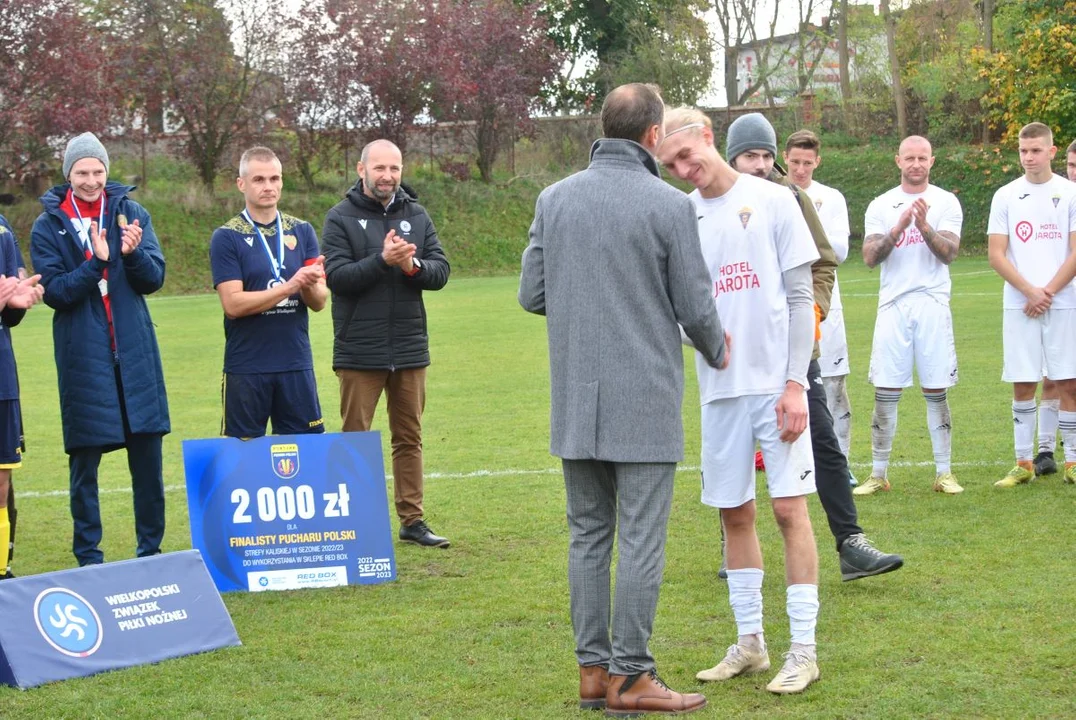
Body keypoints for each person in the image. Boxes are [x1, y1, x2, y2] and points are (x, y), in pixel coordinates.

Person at [520, 84, 726, 715]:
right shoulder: (668, 205)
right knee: (640, 538)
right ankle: (632, 677)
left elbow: (532, 292)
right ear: (654, 135)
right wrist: (718, 347)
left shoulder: (553, 200)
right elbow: (694, 304)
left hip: (576, 398)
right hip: (645, 396)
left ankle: (593, 671)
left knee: (588, 535)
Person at [659, 107, 821, 695]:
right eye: (671, 165)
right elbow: (677, 311)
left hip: (778, 386)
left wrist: (796, 383)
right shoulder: (680, 217)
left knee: (788, 511)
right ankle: (750, 643)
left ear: (708, 139)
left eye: (688, 156)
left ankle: (803, 650)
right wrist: (694, 334)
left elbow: (801, 296)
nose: (683, 170)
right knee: (734, 512)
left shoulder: (774, 199)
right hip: (719, 390)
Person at [722, 113, 902, 583]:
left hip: (794, 354)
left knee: (821, 441)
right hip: (734, 357)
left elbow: (823, 265)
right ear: (731, 157)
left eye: (766, 155)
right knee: (735, 449)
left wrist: (813, 316)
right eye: (749, 155)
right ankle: (736, 550)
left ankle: (851, 544)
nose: (759, 165)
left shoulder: (791, 197)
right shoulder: (710, 200)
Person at [30, 132, 170, 566]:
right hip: (83, 359)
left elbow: (153, 279)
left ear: (107, 172)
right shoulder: (48, 225)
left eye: (97, 171)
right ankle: (89, 557)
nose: (91, 180)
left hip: (135, 356)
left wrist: (130, 255)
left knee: (147, 463)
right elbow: (56, 292)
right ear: (68, 174)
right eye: (81, 172)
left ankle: (151, 550)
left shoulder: (131, 212)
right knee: (84, 465)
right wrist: (98, 263)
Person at [322, 140, 451, 548]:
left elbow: (440, 270)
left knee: (408, 437)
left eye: (394, 168)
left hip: (410, 348)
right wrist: (382, 261)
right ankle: (356, 520)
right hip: (360, 349)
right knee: (356, 437)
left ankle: (412, 521)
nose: (387, 176)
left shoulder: (416, 213)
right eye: (379, 168)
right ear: (361, 169)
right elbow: (337, 278)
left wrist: (412, 266)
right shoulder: (339, 217)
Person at [856, 135, 962, 496]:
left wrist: (924, 226)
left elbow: (949, 254)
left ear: (932, 161)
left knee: (936, 388)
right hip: (892, 307)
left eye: (922, 158)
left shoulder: (946, 201)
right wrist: (899, 227)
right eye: (909, 158)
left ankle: (944, 473)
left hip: (932, 304)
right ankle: (878, 473)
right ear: (897, 160)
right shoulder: (881, 204)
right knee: (886, 389)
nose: (916, 164)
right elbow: (870, 257)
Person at [210, 147, 327, 438]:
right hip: (247, 366)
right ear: (242, 184)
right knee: (243, 459)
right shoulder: (227, 236)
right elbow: (233, 304)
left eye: (275, 179)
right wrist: (291, 285)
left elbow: (320, 301)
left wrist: (310, 283)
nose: (268, 187)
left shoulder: (302, 231)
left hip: (295, 363)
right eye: (259, 179)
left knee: (306, 454)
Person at [988, 122, 1076, 487]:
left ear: (1052, 152)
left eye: (1036, 150)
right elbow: (996, 253)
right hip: (1020, 303)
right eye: (1023, 151)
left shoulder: (1070, 193)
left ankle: (1072, 461)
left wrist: (1048, 291)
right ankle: (1023, 462)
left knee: (1069, 381)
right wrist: (1028, 290)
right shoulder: (1005, 195)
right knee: (1023, 381)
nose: (1028, 157)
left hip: (1064, 301)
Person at [784, 129, 856, 485]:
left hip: (825, 302)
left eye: (807, 163)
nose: (800, 169)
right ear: (785, 158)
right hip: (787, 304)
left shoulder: (831, 198)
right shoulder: (776, 195)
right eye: (795, 162)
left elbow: (838, 252)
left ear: (818, 162)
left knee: (832, 384)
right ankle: (796, 463)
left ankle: (842, 463)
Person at [0, 216, 45, 579]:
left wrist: (16, 304)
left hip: (1, 375)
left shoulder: (1, 228)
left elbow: (9, 316)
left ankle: (0, 571)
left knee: (1, 477)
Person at [1032, 138, 1076, 476]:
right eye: (1072, 166)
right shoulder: (1059, 200)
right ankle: (1045, 450)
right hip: (1062, 298)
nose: (1074, 173)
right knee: (1053, 377)